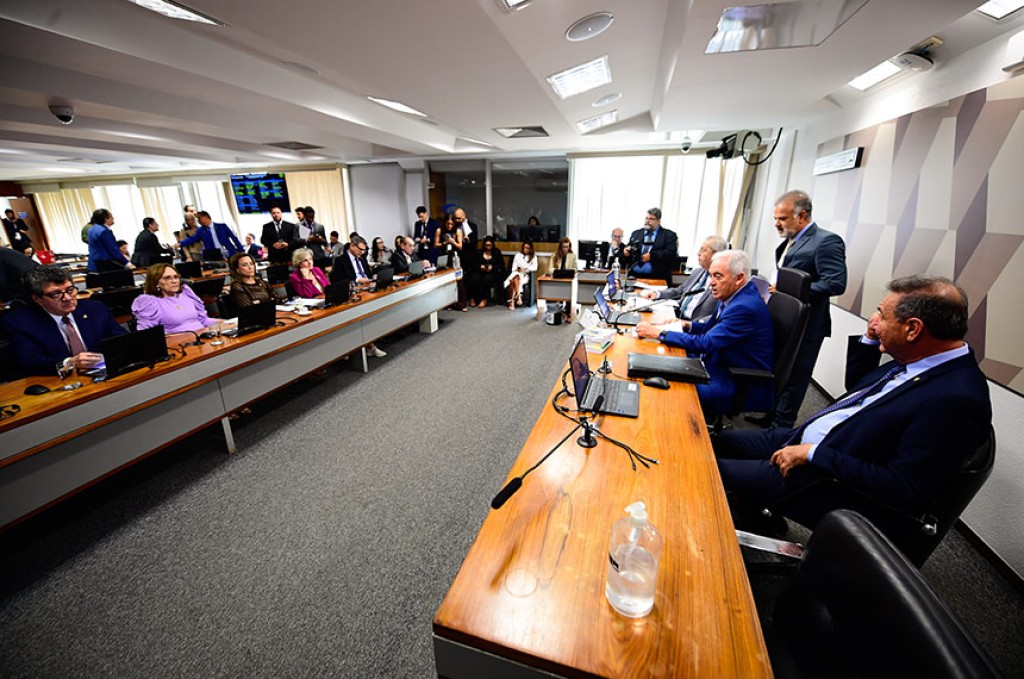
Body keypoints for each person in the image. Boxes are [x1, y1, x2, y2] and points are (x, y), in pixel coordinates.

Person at [714, 275, 991, 538]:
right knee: (715, 442)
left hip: (823, 478)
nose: (875, 320)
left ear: (912, 329)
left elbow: (903, 487)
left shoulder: (956, 399)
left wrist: (814, 454)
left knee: (707, 467)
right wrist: (871, 339)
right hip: (809, 440)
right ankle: (753, 509)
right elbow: (859, 390)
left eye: (883, 316)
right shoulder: (925, 358)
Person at [750, 190, 848, 429]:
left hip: (809, 323)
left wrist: (789, 288)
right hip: (787, 319)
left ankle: (782, 427)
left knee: (796, 375)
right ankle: (770, 415)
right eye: (775, 218)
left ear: (802, 216)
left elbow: (836, 283)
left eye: (782, 219)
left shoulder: (826, 241)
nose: (776, 224)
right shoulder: (791, 239)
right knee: (781, 369)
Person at [636, 249, 773, 418]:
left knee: (671, 390)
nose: (711, 283)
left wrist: (659, 333)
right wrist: (687, 325)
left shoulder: (744, 307)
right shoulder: (734, 294)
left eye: (718, 276)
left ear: (739, 278)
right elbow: (712, 329)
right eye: (711, 275)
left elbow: (706, 343)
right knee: (655, 366)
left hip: (734, 378)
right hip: (719, 362)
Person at [1, 264, 125, 376]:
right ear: (37, 299)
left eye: (70, 290)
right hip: (58, 382)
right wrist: (69, 363)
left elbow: (121, 339)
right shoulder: (19, 322)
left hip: (104, 374)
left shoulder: (95, 308)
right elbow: (31, 362)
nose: (67, 298)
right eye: (56, 294)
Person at [639, 235, 725, 322]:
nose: (699, 253)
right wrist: (657, 294)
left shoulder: (723, 281)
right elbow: (680, 291)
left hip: (694, 325)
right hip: (676, 316)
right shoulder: (698, 272)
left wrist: (692, 325)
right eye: (700, 249)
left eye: (704, 250)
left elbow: (720, 314)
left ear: (717, 255)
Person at [131, 263, 220, 335]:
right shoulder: (150, 302)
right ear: (156, 283)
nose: (174, 281)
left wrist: (226, 323)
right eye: (167, 278)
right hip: (179, 346)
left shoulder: (186, 293)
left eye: (176, 277)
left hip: (203, 338)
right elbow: (146, 334)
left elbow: (203, 320)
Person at [623, 207, 678, 286]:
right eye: (646, 218)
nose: (647, 221)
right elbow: (630, 248)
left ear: (658, 221)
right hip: (635, 277)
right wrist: (626, 251)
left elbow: (670, 253)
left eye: (651, 219)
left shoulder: (669, 235)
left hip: (657, 278)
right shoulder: (636, 233)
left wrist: (652, 256)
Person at [178, 211, 243, 260]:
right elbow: (192, 239)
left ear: (206, 217)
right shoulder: (201, 230)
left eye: (199, 218)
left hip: (229, 253)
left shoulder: (222, 226)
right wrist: (180, 243)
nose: (198, 221)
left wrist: (241, 250)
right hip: (214, 256)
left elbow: (234, 238)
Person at [86, 208, 131, 272]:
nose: (113, 218)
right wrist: (126, 263)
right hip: (105, 264)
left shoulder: (91, 229)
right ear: (106, 219)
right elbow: (113, 249)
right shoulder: (104, 231)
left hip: (93, 264)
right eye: (111, 217)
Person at [467, 236, 505, 308]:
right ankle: (473, 298)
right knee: (474, 278)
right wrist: (480, 266)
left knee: (487, 279)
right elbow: (474, 264)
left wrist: (492, 267)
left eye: (489, 245)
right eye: (486, 245)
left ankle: (484, 299)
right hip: (480, 271)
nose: (488, 247)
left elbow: (501, 265)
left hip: (493, 272)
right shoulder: (479, 252)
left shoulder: (497, 252)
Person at [504, 240, 537, 311]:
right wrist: (517, 269)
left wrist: (525, 269)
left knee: (513, 280)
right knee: (515, 277)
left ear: (531, 249)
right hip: (516, 273)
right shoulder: (518, 255)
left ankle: (512, 302)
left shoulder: (533, 257)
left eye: (528, 248)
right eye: (525, 247)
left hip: (525, 275)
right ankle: (518, 296)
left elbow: (535, 267)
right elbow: (513, 267)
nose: (526, 249)